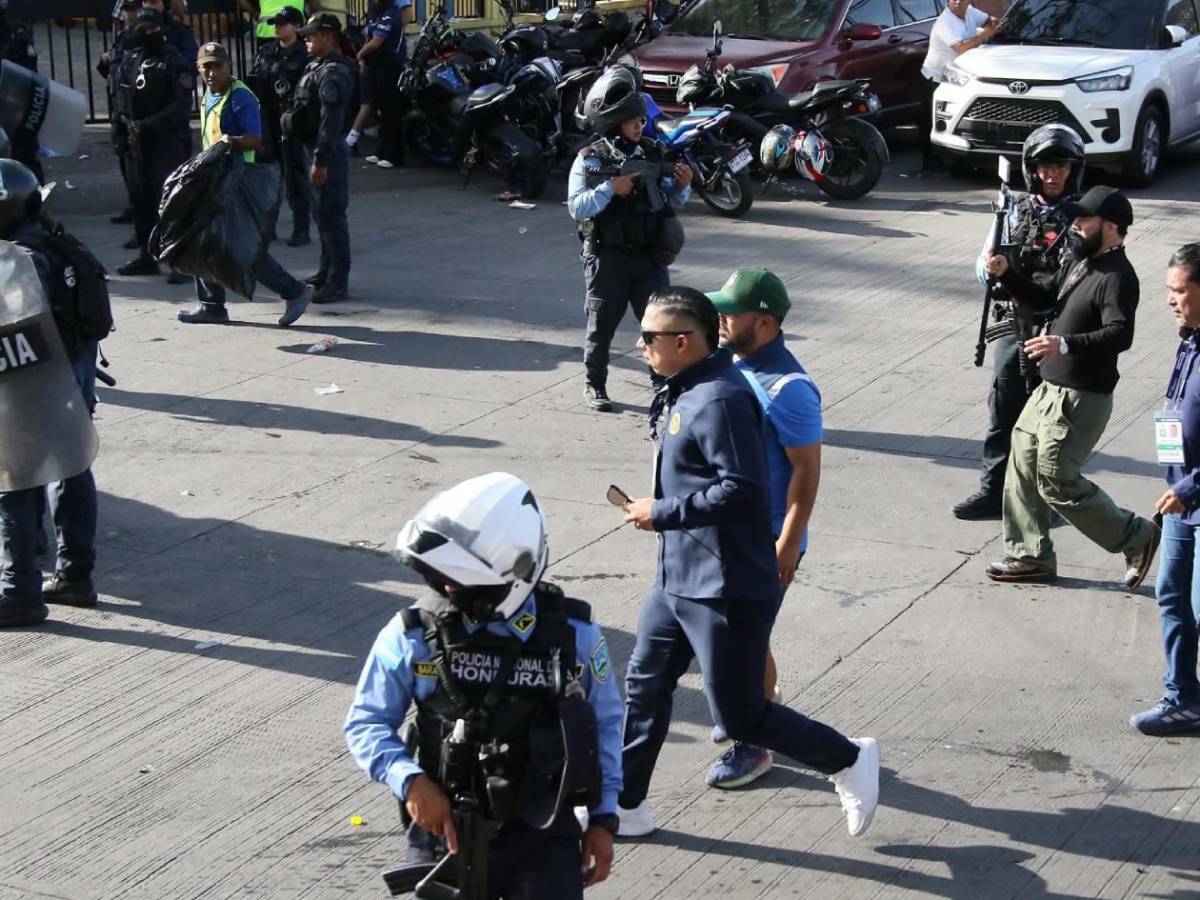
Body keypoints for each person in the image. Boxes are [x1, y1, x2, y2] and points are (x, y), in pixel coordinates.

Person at [616, 287, 879, 838]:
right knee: (645, 686)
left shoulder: (718, 400)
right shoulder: (684, 386)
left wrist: (661, 511)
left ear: (684, 341)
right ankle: (627, 805)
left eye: (649, 336)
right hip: (677, 577)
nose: (639, 345)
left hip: (726, 584)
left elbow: (743, 490)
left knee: (741, 716)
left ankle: (848, 758)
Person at [345, 472, 623, 899]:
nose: (449, 588)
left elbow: (605, 723)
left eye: (462, 579)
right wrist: (410, 782)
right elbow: (366, 721)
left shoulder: (573, 635)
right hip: (443, 831)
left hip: (542, 837)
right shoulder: (413, 633)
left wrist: (603, 820)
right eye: (444, 578)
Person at [984, 186, 1160, 588]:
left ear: (1112, 227)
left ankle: (1138, 536)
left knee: (1057, 480)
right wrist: (1007, 275)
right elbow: (1047, 300)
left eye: (1084, 221)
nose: (1075, 226)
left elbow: (1120, 334)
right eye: (1075, 219)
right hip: (1049, 390)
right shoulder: (1081, 264)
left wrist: (1063, 344)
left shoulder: (1118, 277)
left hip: (1081, 398)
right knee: (1023, 466)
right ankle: (1029, 556)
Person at [698, 268, 822, 789]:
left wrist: (788, 543)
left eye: (731, 311)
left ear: (765, 322)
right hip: (725, 535)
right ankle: (746, 713)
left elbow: (806, 470)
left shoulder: (790, 388)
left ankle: (754, 743)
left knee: (743, 646)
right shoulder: (733, 363)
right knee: (738, 639)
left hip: (763, 544)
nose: (721, 318)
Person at [954, 125, 1085, 520]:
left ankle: (1047, 500)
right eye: (1046, 165)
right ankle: (993, 492)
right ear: (1033, 169)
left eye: (1061, 165)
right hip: (1015, 326)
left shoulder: (1083, 217)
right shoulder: (1013, 210)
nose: (1053, 174)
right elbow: (983, 266)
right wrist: (992, 269)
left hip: (1058, 330)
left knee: (1051, 425)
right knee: (1003, 414)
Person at [0, 159, 106, 627]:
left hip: (33, 383)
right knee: (72, 465)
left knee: (16, 481)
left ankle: (19, 592)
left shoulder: (15, 263)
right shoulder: (57, 242)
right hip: (73, 372)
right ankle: (75, 576)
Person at [567, 68, 691, 412]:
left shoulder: (654, 151)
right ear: (615, 122)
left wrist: (683, 185)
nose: (640, 125)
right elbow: (577, 207)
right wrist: (611, 189)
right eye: (632, 120)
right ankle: (595, 384)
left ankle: (662, 384)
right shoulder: (590, 159)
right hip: (608, 258)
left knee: (660, 324)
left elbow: (673, 201)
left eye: (641, 119)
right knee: (601, 325)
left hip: (650, 256)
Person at [176, 42, 313, 327]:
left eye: (217, 66)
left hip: (239, 182)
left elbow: (254, 138)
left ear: (228, 66)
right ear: (198, 69)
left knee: (241, 248)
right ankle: (211, 305)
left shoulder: (240, 97)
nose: (212, 73)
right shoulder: (209, 94)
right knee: (202, 239)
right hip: (215, 179)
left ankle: (295, 291)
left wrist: (231, 141)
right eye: (206, 67)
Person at [1132, 245, 1200, 736]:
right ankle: (1182, 698)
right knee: (1172, 597)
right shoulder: (1189, 341)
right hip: (1179, 502)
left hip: (1191, 496)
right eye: (1169, 290)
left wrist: (1191, 487)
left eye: (1179, 290)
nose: (1171, 300)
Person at [113, 8, 194, 283]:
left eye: (151, 29)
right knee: (140, 201)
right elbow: (120, 99)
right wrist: (120, 132)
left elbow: (182, 105)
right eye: (142, 29)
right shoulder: (132, 59)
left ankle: (179, 260)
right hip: (135, 144)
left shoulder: (174, 61)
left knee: (169, 201)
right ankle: (148, 256)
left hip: (166, 141)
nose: (147, 34)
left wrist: (149, 124)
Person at [285, 13, 354, 304]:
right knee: (322, 216)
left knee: (331, 217)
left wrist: (321, 159)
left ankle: (337, 282)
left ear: (328, 37)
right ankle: (326, 272)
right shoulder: (318, 66)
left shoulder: (334, 72)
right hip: (313, 147)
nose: (306, 38)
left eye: (312, 34)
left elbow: (331, 119)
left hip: (326, 151)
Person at [248, 6, 311, 247]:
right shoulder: (266, 52)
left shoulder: (304, 56)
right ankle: (268, 227)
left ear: (296, 26)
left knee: (295, 177)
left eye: (283, 24)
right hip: (269, 120)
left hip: (293, 122)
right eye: (276, 24)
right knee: (268, 176)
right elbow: (255, 83)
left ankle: (301, 228)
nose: (277, 28)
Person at [918, 0, 998, 173]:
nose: (958, 2)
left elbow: (987, 20)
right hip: (935, 78)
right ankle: (929, 162)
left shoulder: (970, 12)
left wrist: (992, 22)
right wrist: (985, 35)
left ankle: (951, 159)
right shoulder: (945, 22)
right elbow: (961, 48)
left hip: (956, 78)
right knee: (931, 120)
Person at [346, 0, 413, 168]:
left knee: (391, 111)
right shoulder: (377, 14)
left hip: (389, 65)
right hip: (376, 65)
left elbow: (376, 42)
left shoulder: (391, 14)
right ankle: (381, 151)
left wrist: (360, 55)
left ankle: (394, 155)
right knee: (381, 110)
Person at [98, 0, 141, 230]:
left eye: (133, 9)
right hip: (119, 102)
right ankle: (134, 206)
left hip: (134, 105)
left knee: (139, 163)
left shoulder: (143, 34)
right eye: (126, 10)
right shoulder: (123, 34)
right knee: (123, 155)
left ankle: (143, 211)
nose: (128, 14)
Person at [0, 0, 42, 181]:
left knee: (23, 159)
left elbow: (29, 77)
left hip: (16, 109)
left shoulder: (16, 36)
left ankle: (33, 203)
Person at [141, 0, 199, 71]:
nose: (147, 6)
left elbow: (194, 62)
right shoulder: (134, 31)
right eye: (144, 2)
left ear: (165, 4)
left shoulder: (178, 30)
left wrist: (168, 60)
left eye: (153, 2)